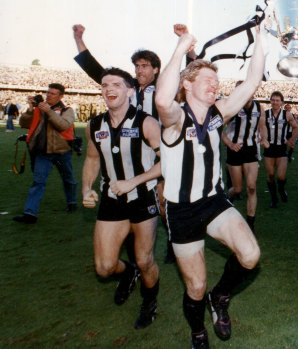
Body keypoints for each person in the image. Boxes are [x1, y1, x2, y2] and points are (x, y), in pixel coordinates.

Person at [155, 26, 264, 347]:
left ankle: (221, 296)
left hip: (214, 202)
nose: (215, 84)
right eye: (207, 80)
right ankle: (198, 330)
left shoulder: (218, 115)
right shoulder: (175, 118)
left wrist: (260, 39)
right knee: (195, 287)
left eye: (216, 81)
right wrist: (179, 49)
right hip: (182, 211)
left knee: (250, 255)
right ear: (187, 85)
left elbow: (252, 81)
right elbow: (163, 99)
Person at [73, 23, 176, 264]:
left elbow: (182, 75)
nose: (139, 70)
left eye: (144, 66)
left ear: (156, 70)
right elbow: (95, 70)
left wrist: (186, 49)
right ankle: (134, 258)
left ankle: (172, 242)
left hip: (156, 153)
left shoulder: (163, 89)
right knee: (129, 199)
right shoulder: (125, 87)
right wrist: (79, 39)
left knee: (162, 201)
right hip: (128, 155)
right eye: (136, 66)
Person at [81, 67, 161, 329]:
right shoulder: (95, 125)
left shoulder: (147, 123)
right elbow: (92, 160)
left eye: (116, 84)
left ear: (129, 90)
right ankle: (128, 274)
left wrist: (135, 181)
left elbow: (168, 163)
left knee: (145, 259)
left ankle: (149, 302)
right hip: (111, 200)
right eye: (104, 85)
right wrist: (86, 189)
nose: (109, 89)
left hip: (142, 197)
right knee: (104, 267)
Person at [13, 84, 77, 224]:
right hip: (43, 151)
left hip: (61, 151)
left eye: (53, 94)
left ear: (61, 96)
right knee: (38, 182)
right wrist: (30, 109)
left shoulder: (68, 110)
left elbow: (63, 125)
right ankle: (30, 214)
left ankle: (72, 202)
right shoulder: (39, 109)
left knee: (69, 180)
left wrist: (49, 111)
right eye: (47, 93)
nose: (48, 95)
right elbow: (24, 123)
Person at [222, 84, 268, 232]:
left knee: (252, 187)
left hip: (251, 150)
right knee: (237, 188)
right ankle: (226, 202)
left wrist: (264, 138)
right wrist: (230, 144)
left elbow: (262, 126)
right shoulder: (232, 107)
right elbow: (217, 127)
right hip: (235, 149)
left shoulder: (259, 107)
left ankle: (250, 224)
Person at [263, 91, 298, 208]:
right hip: (269, 148)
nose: (275, 102)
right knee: (271, 175)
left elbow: (295, 127)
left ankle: (282, 189)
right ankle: (274, 199)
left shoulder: (287, 115)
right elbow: (258, 128)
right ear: (270, 101)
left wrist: (291, 140)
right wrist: (262, 138)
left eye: (277, 100)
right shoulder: (265, 114)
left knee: (281, 176)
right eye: (273, 100)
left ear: (282, 102)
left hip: (281, 148)